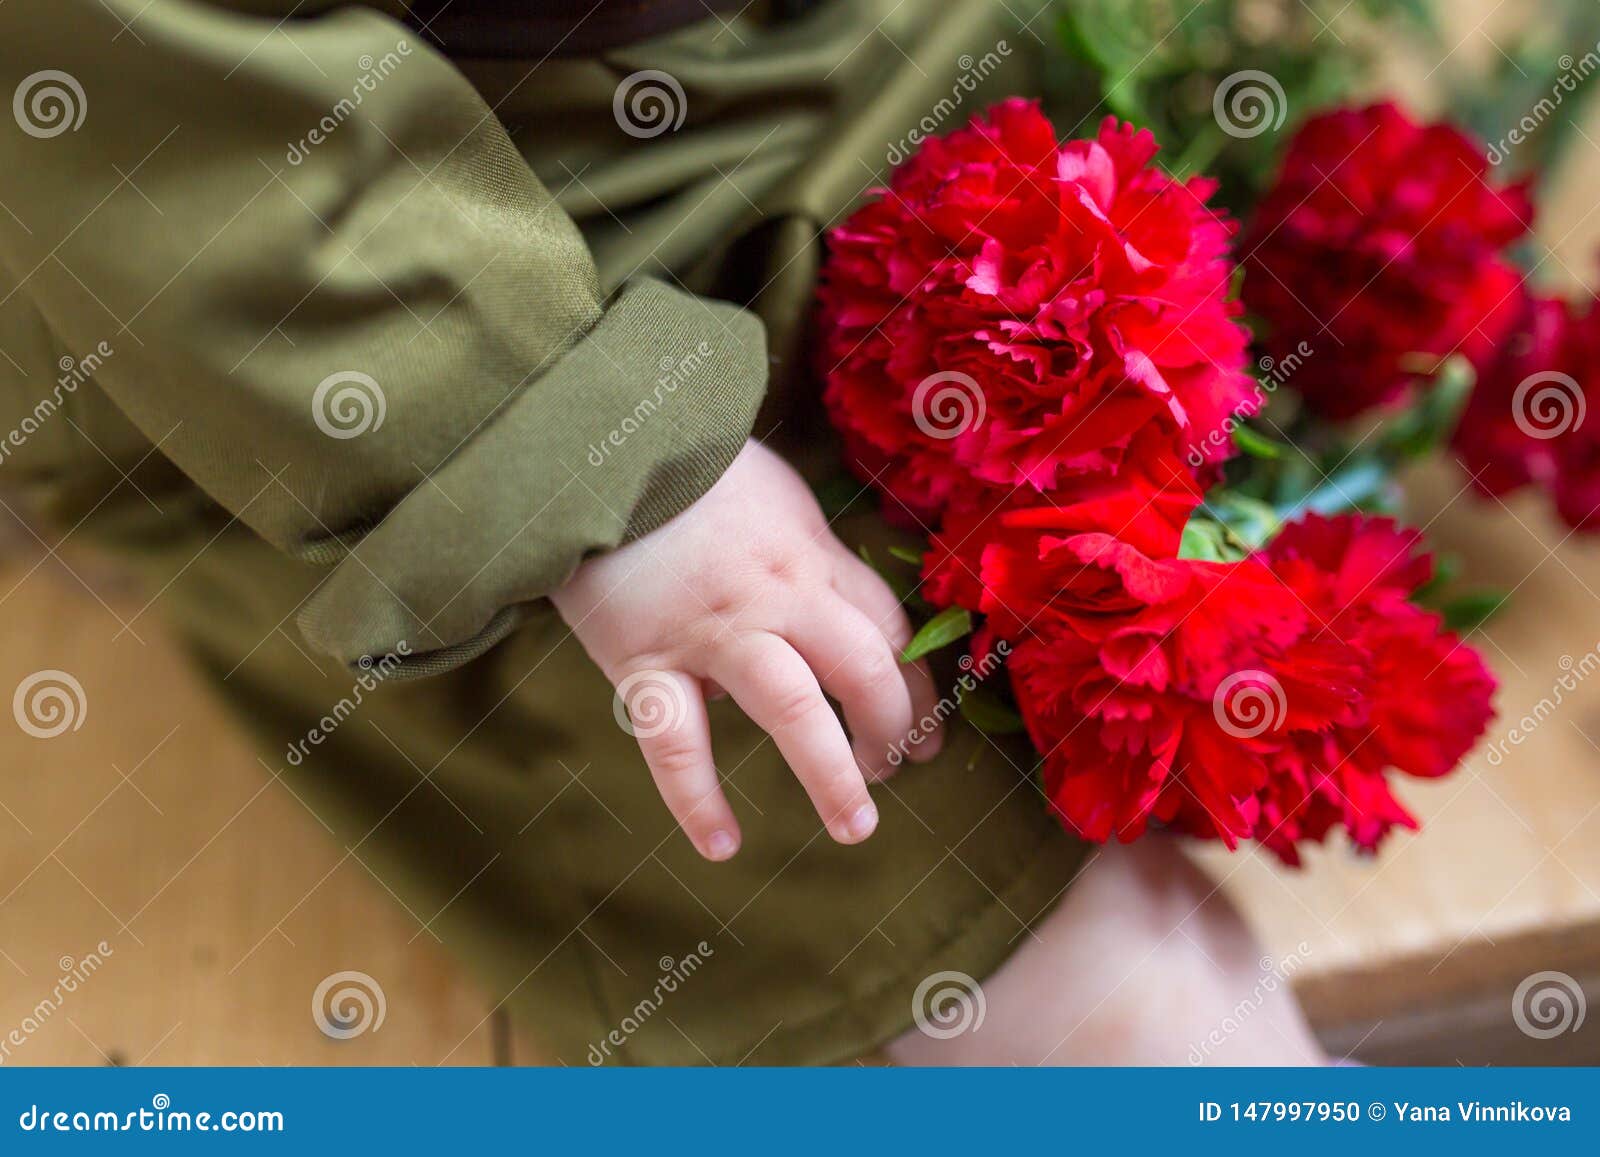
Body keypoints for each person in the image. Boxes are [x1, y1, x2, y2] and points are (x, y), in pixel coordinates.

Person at [0, 0, 1326, 1065]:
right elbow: (155, 100)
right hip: (421, 306)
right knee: (1027, 943)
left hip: (827, 66)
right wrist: (587, 454)